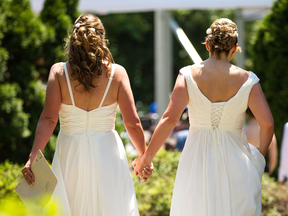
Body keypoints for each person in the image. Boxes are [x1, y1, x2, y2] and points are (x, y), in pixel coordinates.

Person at [133, 18, 274, 216]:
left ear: (207, 44)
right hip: (237, 161)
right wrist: (259, 157)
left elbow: (169, 119)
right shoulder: (248, 80)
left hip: (196, 159)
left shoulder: (187, 75)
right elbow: (267, 125)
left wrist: (145, 158)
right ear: (234, 48)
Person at [21, 14, 152, 216]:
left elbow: (48, 120)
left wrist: (32, 157)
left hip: (70, 153)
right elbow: (132, 123)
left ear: (73, 39)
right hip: (107, 152)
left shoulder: (59, 72)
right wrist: (144, 156)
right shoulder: (117, 74)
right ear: (102, 38)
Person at [244, 108, 277, 174]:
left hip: (246, 173)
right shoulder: (269, 132)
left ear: (246, 113)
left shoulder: (242, 131)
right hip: (263, 174)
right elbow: (273, 161)